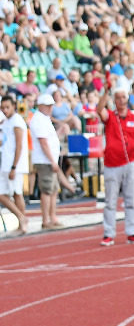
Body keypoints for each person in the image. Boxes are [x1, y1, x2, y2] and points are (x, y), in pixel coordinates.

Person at [98, 85, 134, 246]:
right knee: (110, 201)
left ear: (127, 98)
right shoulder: (110, 117)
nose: (121, 101)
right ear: (114, 100)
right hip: (112, 163)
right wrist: (105, 93)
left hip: (130, 162)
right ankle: (108, 233)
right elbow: (99, 109)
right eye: (118, 98)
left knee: (131, 199)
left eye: (123, 98)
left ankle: (132, 232)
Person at [30, 94, 75, 229]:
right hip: (45, 160)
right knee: (47, 190)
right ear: (41, 106)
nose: (51, 108)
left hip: (49, 159)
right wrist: (52, 161)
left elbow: (48, 140)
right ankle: (46, 220)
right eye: (48, 106)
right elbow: (43, 143)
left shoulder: (43, 118)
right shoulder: (39, 119)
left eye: (51, 106)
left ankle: (52, 217)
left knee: (53, 189)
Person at [0, 94, 29, 233]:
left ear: (13, 107)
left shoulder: (17, 121)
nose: (5, 110)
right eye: (3, 108)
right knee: (3, 194)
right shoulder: (6, 122)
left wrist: (14, 166)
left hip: (14, 164)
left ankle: (21, 221)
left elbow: (19, 145)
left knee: (17, 193)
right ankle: (21, 218)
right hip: (5, 162)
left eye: (7, 107)